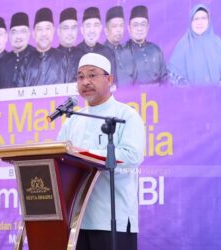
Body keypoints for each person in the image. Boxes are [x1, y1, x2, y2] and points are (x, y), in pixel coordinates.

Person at [57, 53, 145, 250]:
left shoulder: (126, 115)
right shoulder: (73, 120)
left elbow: (132, 155)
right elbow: (58, 158)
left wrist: (85, 155)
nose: (85, 82)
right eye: (80, 77)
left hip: (113, 219)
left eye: (92, 75)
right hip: (77, 221)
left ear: (109, 79)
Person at [168, 3, 221, 85]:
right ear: (190, 22)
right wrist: (191, 91)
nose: (200, 22)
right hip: (192, 97)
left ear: (209, 21)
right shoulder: (183, 45)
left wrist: (220, 88)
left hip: (219, 96)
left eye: (203, 18)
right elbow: (172, 74)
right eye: (196, 19)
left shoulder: (218, 42)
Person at [17, 7, 68, 86]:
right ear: (33, 33)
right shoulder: (25, 62)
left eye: (48, 28)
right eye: (39, 29)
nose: (44, 34)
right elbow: (18, 93)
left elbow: (72, 92)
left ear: (53, 31)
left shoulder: (63, 59)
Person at [0, 12, 35, 89]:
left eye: (23, 31)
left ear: (28, 34)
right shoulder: (3, 61)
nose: (18, 36)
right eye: (14, 32)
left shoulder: (37, 57)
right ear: (10, 35)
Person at [125, 5, 167, 84]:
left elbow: (164, 78)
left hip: (156, 95)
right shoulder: (122, 52)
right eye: (135, 25)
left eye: (143, 24)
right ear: (129, 28)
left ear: (148, 27)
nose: (139, 28)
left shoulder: (156, 50)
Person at [77, 7, 117, 83]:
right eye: (88, 25)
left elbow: (113, 83)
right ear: (82, 29)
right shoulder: (74, 54)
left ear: (100, 28)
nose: (92, 30)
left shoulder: (108, 53)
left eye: (96, 25)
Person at [104, 6, 135, 86]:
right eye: (114, 26)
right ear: (106, 31)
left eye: (121, 25)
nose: (119, 30)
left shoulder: (127, 52)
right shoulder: (100, 54)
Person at [57, 7, 85, 82]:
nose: (70, 33)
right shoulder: (53, 57)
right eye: (66, 28)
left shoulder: (84, 56)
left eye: (73, 28)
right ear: (58, 31)